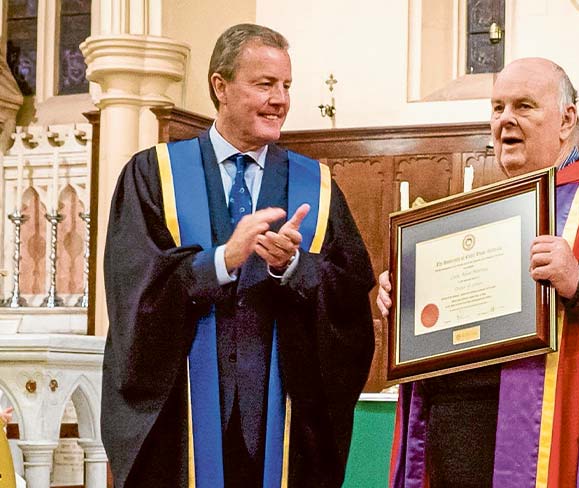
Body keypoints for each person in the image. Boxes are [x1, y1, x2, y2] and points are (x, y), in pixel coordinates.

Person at [377, 58, 579, 487]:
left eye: (524, 106)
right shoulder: (474, 215)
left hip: (553, 442)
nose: (505, 121)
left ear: (566, 119)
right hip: (455, 436)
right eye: (497, 108)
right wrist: (408, 294)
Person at [102, 24, 375, 487]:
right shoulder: (155, 175)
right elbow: (133, 292)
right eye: (265, 84)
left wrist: (294, 267)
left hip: (282, 422)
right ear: (220, 86)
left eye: (286, 86)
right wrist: (220, 262)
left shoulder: (316, 186)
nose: (281, 99)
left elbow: (351, 302)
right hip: (181, 420)